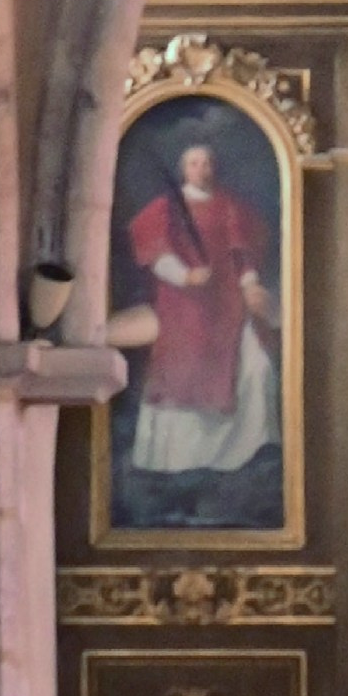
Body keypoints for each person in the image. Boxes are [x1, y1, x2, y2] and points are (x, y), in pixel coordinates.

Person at [123, 136, 280, 483]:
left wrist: (250, 283)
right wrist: (186, 274)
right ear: (184, 169)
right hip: (185, 307)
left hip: (227, 304)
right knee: (184, 375)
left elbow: (243, 254)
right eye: (194, 163)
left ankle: (245, 451)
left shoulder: (229, 206)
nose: (202, 169)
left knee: (256, 368)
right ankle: (176, 464)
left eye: (207, 163)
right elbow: (157, 253)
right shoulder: (166, 207)